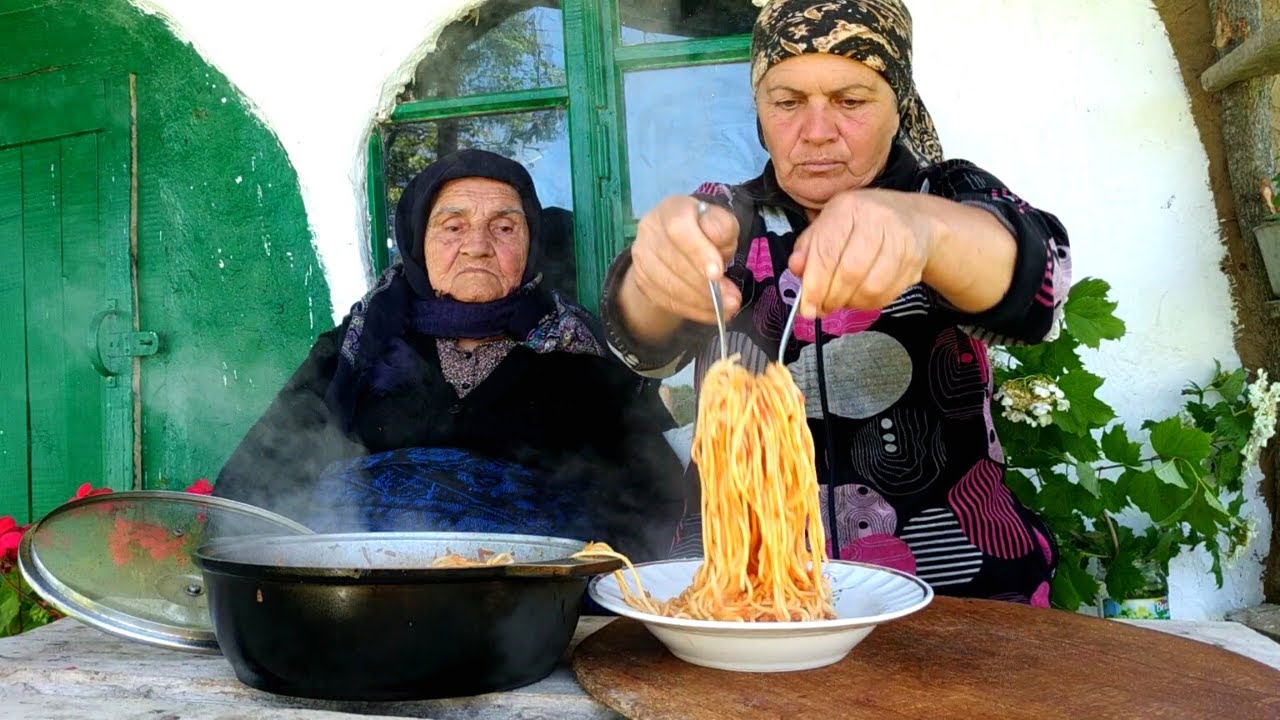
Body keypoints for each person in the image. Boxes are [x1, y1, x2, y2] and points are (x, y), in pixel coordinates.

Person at [598, 0, 1070, 604]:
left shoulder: (948, 194)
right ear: (760, 113)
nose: (816, 131)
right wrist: (653, 272)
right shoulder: (729, 215)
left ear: (898, 103)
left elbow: (1040, 289)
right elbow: (637, 344)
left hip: (956, 593)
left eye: (851, 101)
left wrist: (926, 231)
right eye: (786, 102)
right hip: (743, 593)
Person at [215, 149, 683, 563]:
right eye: (453, 226)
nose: (477, 246)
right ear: (419, 241)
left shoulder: (581, 353)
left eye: (503, 227)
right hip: (362, 610)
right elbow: (255, 482)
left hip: (531, 620)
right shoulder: (356, 350)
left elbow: (655, 503)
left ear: (530, 244)